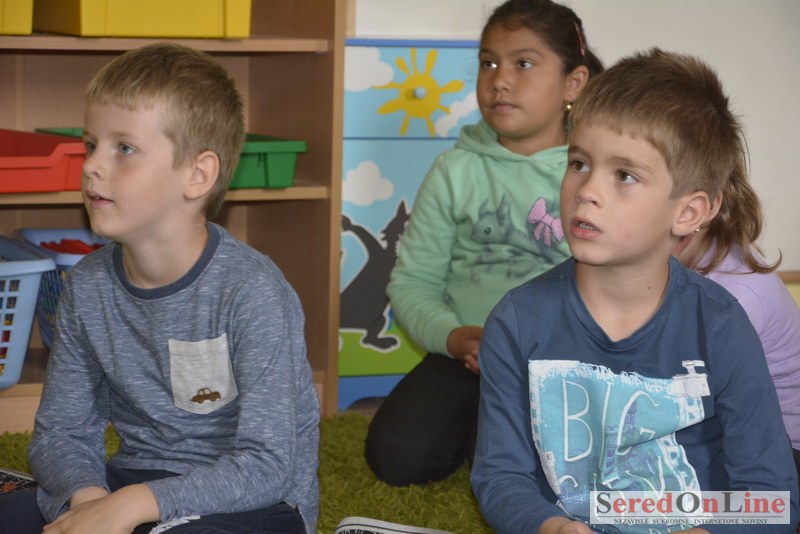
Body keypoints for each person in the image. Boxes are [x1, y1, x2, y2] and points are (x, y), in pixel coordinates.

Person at [470, 48, 799, 534]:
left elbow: (772, 497)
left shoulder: (720, 322)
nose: (587, 190)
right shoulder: (517, 320)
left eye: (624, 175)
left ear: (688, 213)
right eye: (579, 163)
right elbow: (501, 477)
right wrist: (549, 526)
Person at [0, 43, 320, 534]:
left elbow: (268, 466)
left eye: (123, 149)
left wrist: (133, 505)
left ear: (197, 175)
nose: (91, 166)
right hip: (133, 481)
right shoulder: (86, 285)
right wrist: (90, 501)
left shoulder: (253, 291)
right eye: (91, 145)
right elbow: (60, 433)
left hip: (255, 503)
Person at [365, 0, 604, 488]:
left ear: (573, 83)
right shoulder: (455, 170)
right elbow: (413, 283)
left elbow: (610, 283)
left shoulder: (591, 174)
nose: (500, 81)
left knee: (519, 472)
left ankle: (490, 430)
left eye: (524, 63)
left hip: (556, 361)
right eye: (488, 63)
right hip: (465, 356)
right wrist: (453, 337)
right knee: (396, 458)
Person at [673, 177, 800, 474]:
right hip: (733, 429)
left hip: (783, 453)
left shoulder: (733, 297)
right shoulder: (698, 260)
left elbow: (683, 404)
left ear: (691, 212)